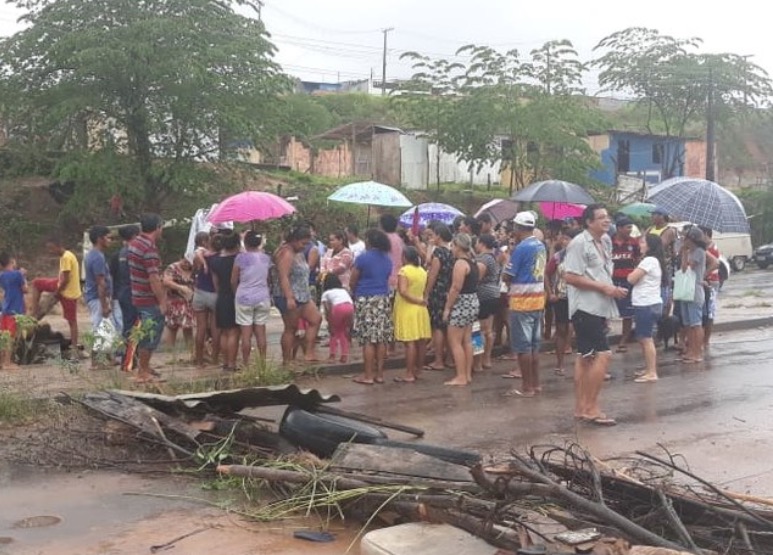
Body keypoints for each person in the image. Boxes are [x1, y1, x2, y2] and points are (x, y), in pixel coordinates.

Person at [564, 204, 628, 426]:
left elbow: (602, 272)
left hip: (600, 306)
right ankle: (591, 407)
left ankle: (582, 407)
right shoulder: (579, 244)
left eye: (607, 217)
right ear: (589, 222)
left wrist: (610, 289)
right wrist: (603, 288)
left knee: (586, 357)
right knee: (603, 354)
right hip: (585, 307)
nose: (606, 220)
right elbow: (570, 277)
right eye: (601, 218)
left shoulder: (606, 241)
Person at [502, 212, 547, 397]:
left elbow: (508, 276)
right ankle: (535, 384)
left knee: (523, 347)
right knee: (534, 346)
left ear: (518, 227)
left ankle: (527, 387)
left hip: (522, 301)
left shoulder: (521, 248)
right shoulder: (540, 245)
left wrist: (506, 261)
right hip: (537, 299)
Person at [272, 224, 322, 364]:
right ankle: (287, 360)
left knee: (316, 319)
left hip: (303, 294)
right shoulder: (286, 253)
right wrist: (289, 297)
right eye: (302, 243)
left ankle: (308, 352)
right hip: (290, 295)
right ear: (294, 240)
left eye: (306, 244)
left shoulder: (297, 252)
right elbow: (283, 277)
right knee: (291, 328)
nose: (304, 246)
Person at [350, 228, 393, 385]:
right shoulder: (387, 259)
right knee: (381, 338)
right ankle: (380, 374)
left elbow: (353, 280)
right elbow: (386, 277)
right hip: (382, 298)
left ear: (369, 241)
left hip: (365, 298)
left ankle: (368, 375)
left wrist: (355, 293)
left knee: (368, 339)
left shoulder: (363, 258)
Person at [127, 213, 167, 383]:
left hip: (137, 294)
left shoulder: (135, 243)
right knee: (150, 334)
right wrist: (162, 301)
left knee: (146, 331)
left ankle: (145, 366)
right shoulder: (149, 249)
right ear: (157, 227)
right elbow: (153, 278)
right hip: (148, 298)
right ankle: (142, 371)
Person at [31, 237, 82, 355]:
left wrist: (57, 293)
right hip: (62, 286)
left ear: (58, 245)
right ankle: (34, 311)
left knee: (72, 320)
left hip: (67, 292)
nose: (50, 251)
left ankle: (74, 347)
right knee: (37, 283)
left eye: (51, 248)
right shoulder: (67, 255)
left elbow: (66, 280)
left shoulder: (66, 257)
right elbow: (63, 278)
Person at [443, 233, 479, 386]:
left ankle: (461, 376)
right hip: (472, 301)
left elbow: (456, 287)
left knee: (455, 341)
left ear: (457, 246)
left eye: (453, 245)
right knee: (467, 340)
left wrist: (447, 308)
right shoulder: (473, 263)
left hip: (461, 303)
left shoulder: (460, 264)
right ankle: (467, 374)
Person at [84, 225, 123, 367]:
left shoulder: (96, 255)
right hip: (97, 297)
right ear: (100, 239)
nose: (110, 240)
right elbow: (100, 283)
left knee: (106, 327)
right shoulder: (97, 258)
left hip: (98, 297)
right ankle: (96, 361)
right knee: (100, 327)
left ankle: (107, 358)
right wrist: (105, 304)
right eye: (108, 237)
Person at [627, 234, 665, 383]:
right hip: (648, 303)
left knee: (646, 338)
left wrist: (633, 272)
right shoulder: (651, 261)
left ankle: (651, 372)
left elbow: (631, 278)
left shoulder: (649, 260)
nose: (640, 244)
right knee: (643, 338)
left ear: (649, 245)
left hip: (646, 304)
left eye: (643, 242)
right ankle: (648, 368)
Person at [231, 231, 271, 367]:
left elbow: (233, 280)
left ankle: (246, 364)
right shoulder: (266, 258)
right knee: (261, 333)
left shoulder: (240, 258)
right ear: (259, 243)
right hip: (262, 296)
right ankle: (262, 364)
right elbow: (268, 277)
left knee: (246, 335)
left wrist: (236, 292)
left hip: (244, 296)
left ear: (245, 243)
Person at [393, 246, 431, 383]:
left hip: (408, 308)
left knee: (409, 343)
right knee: (421, 343)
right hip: (420, 310)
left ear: (404, 257)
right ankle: (418, 370)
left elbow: (403, 291)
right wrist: (421, 300)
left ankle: (409, 373)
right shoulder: (422, 271)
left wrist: (417, 300)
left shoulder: (404, 271)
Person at [544, 227, 579, 376]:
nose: (564, 241)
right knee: (561, 330)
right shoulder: (558, 257)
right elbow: (546, 273)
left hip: (579, 297)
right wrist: (550, 292)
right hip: (561, 298)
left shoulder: (582, 256)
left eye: (568, 238)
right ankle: (559, 364)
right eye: (563, 238)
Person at [678, 227, 714, 364]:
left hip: (694, 290)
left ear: (691, 239)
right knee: (689, 324)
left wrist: (685, 254)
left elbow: (689, 267)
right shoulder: (691, 251)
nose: (683, 240)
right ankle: (691, 351)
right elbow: (682, 269)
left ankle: (697, 353)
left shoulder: (699, 252)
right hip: (686, 289)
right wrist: (684, 253)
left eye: (685, 238)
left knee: (696, 323)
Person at [423, 223, 454, 371]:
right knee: (445, 325)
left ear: (439, 236)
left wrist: (426, 293)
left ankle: (438, 360)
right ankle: (448, 358)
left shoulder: (439, 254)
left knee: (437, 326)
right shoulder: (451, 252)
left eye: (434, 235)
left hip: (437, 291)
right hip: (447, 290)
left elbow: (433, 274)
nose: (432, 238)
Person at [209, 230, 240, 372]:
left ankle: (226, 362)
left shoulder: (214, 261)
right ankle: (232, 363)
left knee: (224, 332)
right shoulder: (239, 259)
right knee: (234, 332)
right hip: (234, 296)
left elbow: (216, 283)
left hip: (221, 296)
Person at [611, 216, 641, 353]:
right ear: (619, 228)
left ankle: (623, 340)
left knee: (627, 313)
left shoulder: (634, 243)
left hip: (627, 282)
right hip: (610, 281)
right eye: (627, 227)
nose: (630, 230)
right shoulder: (608, 241)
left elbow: (638, 259)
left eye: (631, 227)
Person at [109, 225, 139, 360]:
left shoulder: (120, 253)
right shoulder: (133, 253)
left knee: (126, 325)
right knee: (131, 326)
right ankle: (129, 358)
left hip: (121, 293)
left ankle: (127, 357)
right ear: (134, 236)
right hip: (130, 294)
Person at [191, 231, 219, 367]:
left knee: (201, 328)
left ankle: (199, 360)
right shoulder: (217, 256)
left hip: (199, 292)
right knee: (215, 328)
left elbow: (196, 258)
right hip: (214, 294)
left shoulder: (200, 255)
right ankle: (215, 359)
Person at [473, 234, 501, 372]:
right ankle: (487, 359)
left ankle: (478, 362)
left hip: (483, 296)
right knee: (488, 330)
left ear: (482, 243)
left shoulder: (483, 259)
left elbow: (476, 277)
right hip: (494, 294)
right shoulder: (493, 258)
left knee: (478, 331)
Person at [0, 252, 27, 369]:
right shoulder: (18, 275)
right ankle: (7, 363)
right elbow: (25, 289)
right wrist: (24, 277)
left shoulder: (1, 276)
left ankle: (2, 362)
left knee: (3, 336)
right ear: (11, 262)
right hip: (14, 311)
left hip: (5, 309)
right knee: (11, 338)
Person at [162, 256, 195, 351]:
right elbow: (166, 281)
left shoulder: (194, 269)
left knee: (188, 327)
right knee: (172, 327)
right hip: (174, 302)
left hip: (188, 302)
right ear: (181, 258)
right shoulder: (172, 268)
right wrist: (180, 287)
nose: (187, 264)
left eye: (189, 263)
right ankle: (170, 352)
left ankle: (191, 351)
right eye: (185, 261)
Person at [320, 274, 354, 364]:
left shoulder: (326, 293)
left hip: (338, 308)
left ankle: (332, 355)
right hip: (350, 307)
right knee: (343, 332)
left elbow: (327, 309)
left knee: (334, 333)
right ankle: (344, 355)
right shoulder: (343, 291)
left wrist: (329, 322)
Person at [700, 227, 721, 347]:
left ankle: (706, 340)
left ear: (706, 234)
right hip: (707, 282)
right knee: (705, 312)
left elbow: (714, 264)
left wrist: (703, 275)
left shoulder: (712, 249)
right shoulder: (706, 248)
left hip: (711, 282)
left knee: (709, 312)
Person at [379, 214, 404, 292]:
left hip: (385, 279)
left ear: (382, 225)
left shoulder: (383, 239)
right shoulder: (399, 239)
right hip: (398, 277)